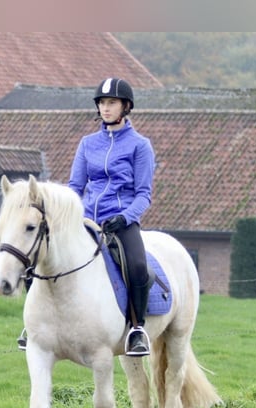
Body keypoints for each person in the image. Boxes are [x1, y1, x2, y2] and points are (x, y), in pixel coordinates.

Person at [18, 77, 155, 357]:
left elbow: (143, 194)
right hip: (84, 221)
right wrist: (68, 215)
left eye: (112, 103)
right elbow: (74, 188)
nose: (106, 108)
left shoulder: (140, 146)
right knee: (37, 257)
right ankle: (31, 327)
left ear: (125, 107)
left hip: (120, 223)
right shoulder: (87, 143)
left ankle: (137, 329)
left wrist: (125, 217)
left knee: (139, 268)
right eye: (102, 103)